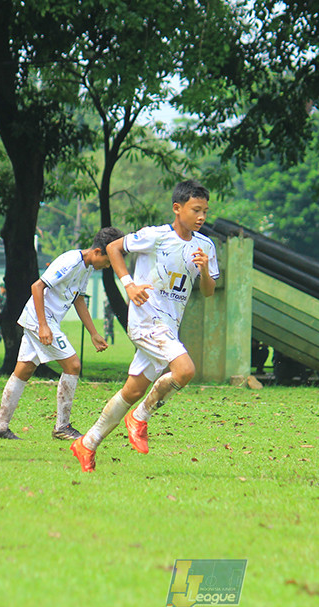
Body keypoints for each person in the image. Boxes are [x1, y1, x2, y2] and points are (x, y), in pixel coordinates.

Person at [70, 180, 219, 472]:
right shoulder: (156, 236)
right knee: (185, 370)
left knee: (132, 390)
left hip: (168, 327)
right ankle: (140, 417)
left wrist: (203, 271)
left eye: (205, 211)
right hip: (146, 321)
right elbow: (113, 248)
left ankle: (86, 443)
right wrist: (128, 285)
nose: (201, 217)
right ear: (177, 209)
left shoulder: (205, 246)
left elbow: (209, 291)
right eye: (195, 210)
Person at [0, 227, 123, 441]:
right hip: (40, 319)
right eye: (108, 261)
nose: (107, 266)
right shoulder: (70, 261)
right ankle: (62, 426)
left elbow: (78, 299)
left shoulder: (87, 267)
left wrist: (94, 333)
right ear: (98, 251)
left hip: (44, 320)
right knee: (73, 365)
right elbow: (37, 287)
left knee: (23, 370)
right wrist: (43, 325)